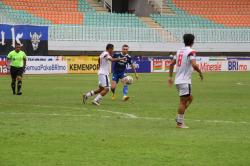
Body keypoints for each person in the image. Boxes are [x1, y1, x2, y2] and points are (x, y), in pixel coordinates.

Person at [168, 34, 203, 129]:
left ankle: (179, 117)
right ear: (192, 41)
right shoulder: (191, 52)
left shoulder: (179, 51)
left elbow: (171, 64)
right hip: (184, 81)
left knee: (190, 98)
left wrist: (170, 77)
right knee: (183, 102)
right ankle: (179, 123)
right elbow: (194, 65)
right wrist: (200, 72)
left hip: (178, 81)